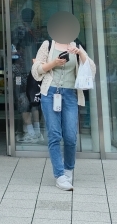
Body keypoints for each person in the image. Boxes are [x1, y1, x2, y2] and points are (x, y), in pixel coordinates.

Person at [32, 13, 94, 191]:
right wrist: (54, 63)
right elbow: (36, 71)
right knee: (54, 135)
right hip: (50, 93)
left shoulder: (77, 46)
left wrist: (80, 53)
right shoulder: (48, 45)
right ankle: (59, 175)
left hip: (70, 95)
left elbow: (92, 69)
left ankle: (69, 170)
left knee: (70, 136)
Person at [12, 8, 41, 143]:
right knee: (34, 100)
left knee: (23, 100)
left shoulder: (19, 31)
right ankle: (37, 131)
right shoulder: (35, 32)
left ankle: (29, 131)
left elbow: (15, 50)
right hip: (34, 70)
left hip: (22, 70)